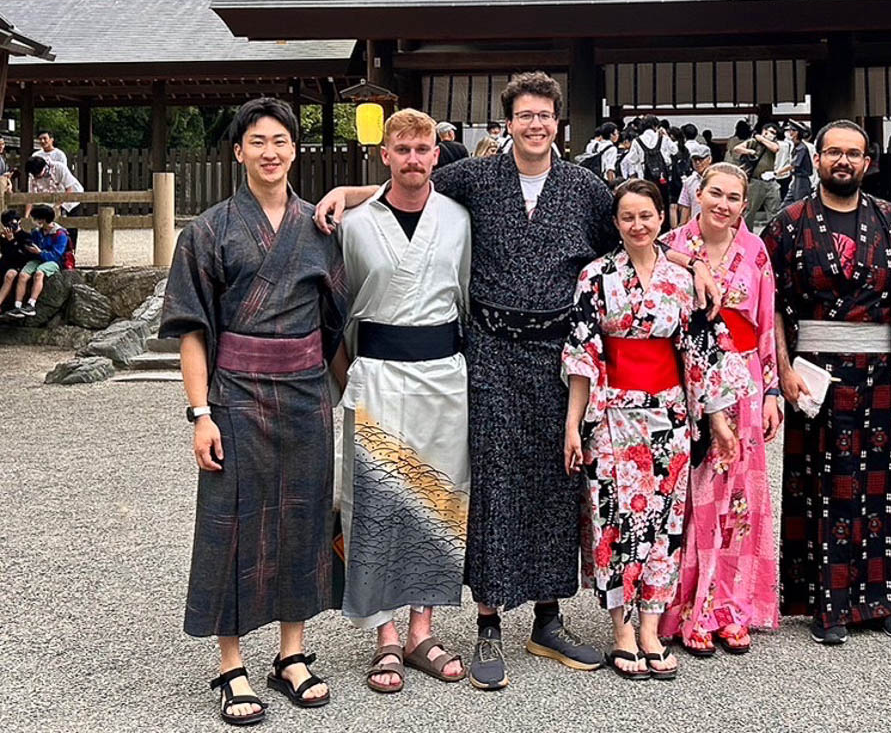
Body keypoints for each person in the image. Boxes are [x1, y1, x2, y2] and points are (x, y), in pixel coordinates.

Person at [312, 72, 721, 691]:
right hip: (491, 350)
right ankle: (488, 618)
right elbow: (408, 186)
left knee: (555, 478)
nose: (535, 125)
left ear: (559, 122)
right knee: (495, 476)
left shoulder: (584, 187)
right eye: (524, 115)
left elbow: (637, 237)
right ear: (507, 124)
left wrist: (689, 261)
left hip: (558, 351)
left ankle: (548, 616)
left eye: (545, 116)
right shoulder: (476, 178)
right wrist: (346, 188)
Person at [160, 98, 347, 725]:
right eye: (258, 141)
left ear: (296, 150)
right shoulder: (208, 230)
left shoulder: (320, 227)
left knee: (304, 518)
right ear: (237, 151)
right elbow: (192, 330)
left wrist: (335, 390)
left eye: (282, 141)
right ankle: (230, 663)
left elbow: (335, 322)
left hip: (305, 394)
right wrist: (199, 413)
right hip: (235, 393)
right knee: (230, 521)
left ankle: (292, 654)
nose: (271, 152)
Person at [563, 179, 744, 680]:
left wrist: (718, 418)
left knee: (664, 522)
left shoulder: (683, 279)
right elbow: (583, 355)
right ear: (616, 224)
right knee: (614, 521)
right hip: (612, 413)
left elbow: (701, 353)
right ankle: (621, 628)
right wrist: (573, 425)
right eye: (628, 217)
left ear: (662, 219)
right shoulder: (595, 276)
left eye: (647, 216)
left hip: (667, 414)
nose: (638, 225)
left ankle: (650, 626)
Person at [761, 120, 891, 646]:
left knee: (882, 488)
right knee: (819, 488)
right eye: (832, 152)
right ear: (816, 160)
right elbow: (772, 306)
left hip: (878, 369)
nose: (843, 161)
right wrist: (782, 369)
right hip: (813, 372)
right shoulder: (788, 224)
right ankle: (824, 604)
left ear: (867, 162)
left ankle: (886, 601)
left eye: (852, 154)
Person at [328, 108, 471, 693]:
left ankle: (422, 628)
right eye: (402, 149)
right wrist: (346, 379)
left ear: (438, 153)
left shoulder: (459, 218)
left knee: (438, 498)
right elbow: (332, 313)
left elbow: (467, 295)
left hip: (443, 371)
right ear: (383, 155)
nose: (413, 159)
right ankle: (384, 634)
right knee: (376, 498)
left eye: (423, 149)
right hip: (379, 370)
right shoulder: (352, 223)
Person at [660, 162, 781, 656]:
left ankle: (732, 607)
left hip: (746, 379)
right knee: (692, 495)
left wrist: (772, 390)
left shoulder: (755, 251)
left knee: (739, 500)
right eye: (715, 193)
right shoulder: (670, 244)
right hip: (687, 380)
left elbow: (767, 321)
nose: (723, 205)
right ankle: (683, 606)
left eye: (734, 197)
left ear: (743, 205)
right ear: (699, 193)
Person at [4, 204, 69, 318]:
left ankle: (31, 304)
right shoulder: (37, 232)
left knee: (39, 273)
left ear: (42, 220)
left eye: (35, 218)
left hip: (54, 261)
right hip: (37, 258)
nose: (33, 220)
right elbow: (29, 245)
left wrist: (40, 252)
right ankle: (17, 306)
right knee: (23, 275)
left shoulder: (60, 234)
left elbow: (56, 255)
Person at [732, 122, 782, 231]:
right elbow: (737, 148)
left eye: (774, 133)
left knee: (774, 211)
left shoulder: (773, 144)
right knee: (750, 211)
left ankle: (772, 235)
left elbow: (775, 148)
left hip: (770, 181)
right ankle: (746, 233)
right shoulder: (753, 142)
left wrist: (762, 139)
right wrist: (749, 151)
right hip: (756, 181)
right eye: (769, 132)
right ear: (764, 131)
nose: (771, 135)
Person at [624, 114, 678, 192]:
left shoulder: (637, 141)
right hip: (662, 176)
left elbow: (632, 159)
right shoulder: (663, 138)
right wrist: (666, 135)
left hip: (644, 177)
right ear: (656, 126)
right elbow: (675, 150)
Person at [0, 210, 30, 311]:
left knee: (10, 275)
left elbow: (22, 255)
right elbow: (5, 253)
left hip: (19, 264)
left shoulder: (25, 236)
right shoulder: (3, 237)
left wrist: (12, 241)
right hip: (5, 262)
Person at [675, 145, 712, 227]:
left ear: (709, 159)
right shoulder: (689, 182)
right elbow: (685, 205)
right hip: (696, 226)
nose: (698, 163)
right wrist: (682, 226)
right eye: (695, 160)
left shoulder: (718, 179)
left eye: (701, 159)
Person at [784, 122, 816, 204]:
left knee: (800, 205)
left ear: (796, 133)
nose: (789, 133)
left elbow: (793, 164)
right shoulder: (795, 146)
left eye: (791, 130)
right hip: (796, 179)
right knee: (787, 204)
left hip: (802, 181)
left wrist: (777, 173)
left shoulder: (802, 148)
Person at [773, 122, 796, 201]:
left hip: (775, 171)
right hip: (785, 172)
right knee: (784, 195)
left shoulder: (773, 145)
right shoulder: (788, 144)